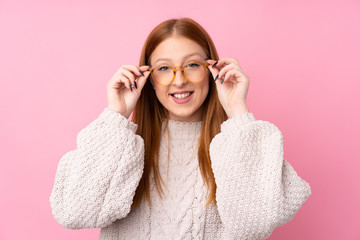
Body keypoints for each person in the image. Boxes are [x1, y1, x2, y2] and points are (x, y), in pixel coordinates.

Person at [49, 17, 312, 240]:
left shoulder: (239, 145)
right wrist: (116, 114)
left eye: (193, 65)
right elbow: (75, 212)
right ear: (149, 79)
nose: (179, 80)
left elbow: (255, 223)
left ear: (211, 71)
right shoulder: (121, 148)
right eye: (164, 68)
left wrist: (237, 111)